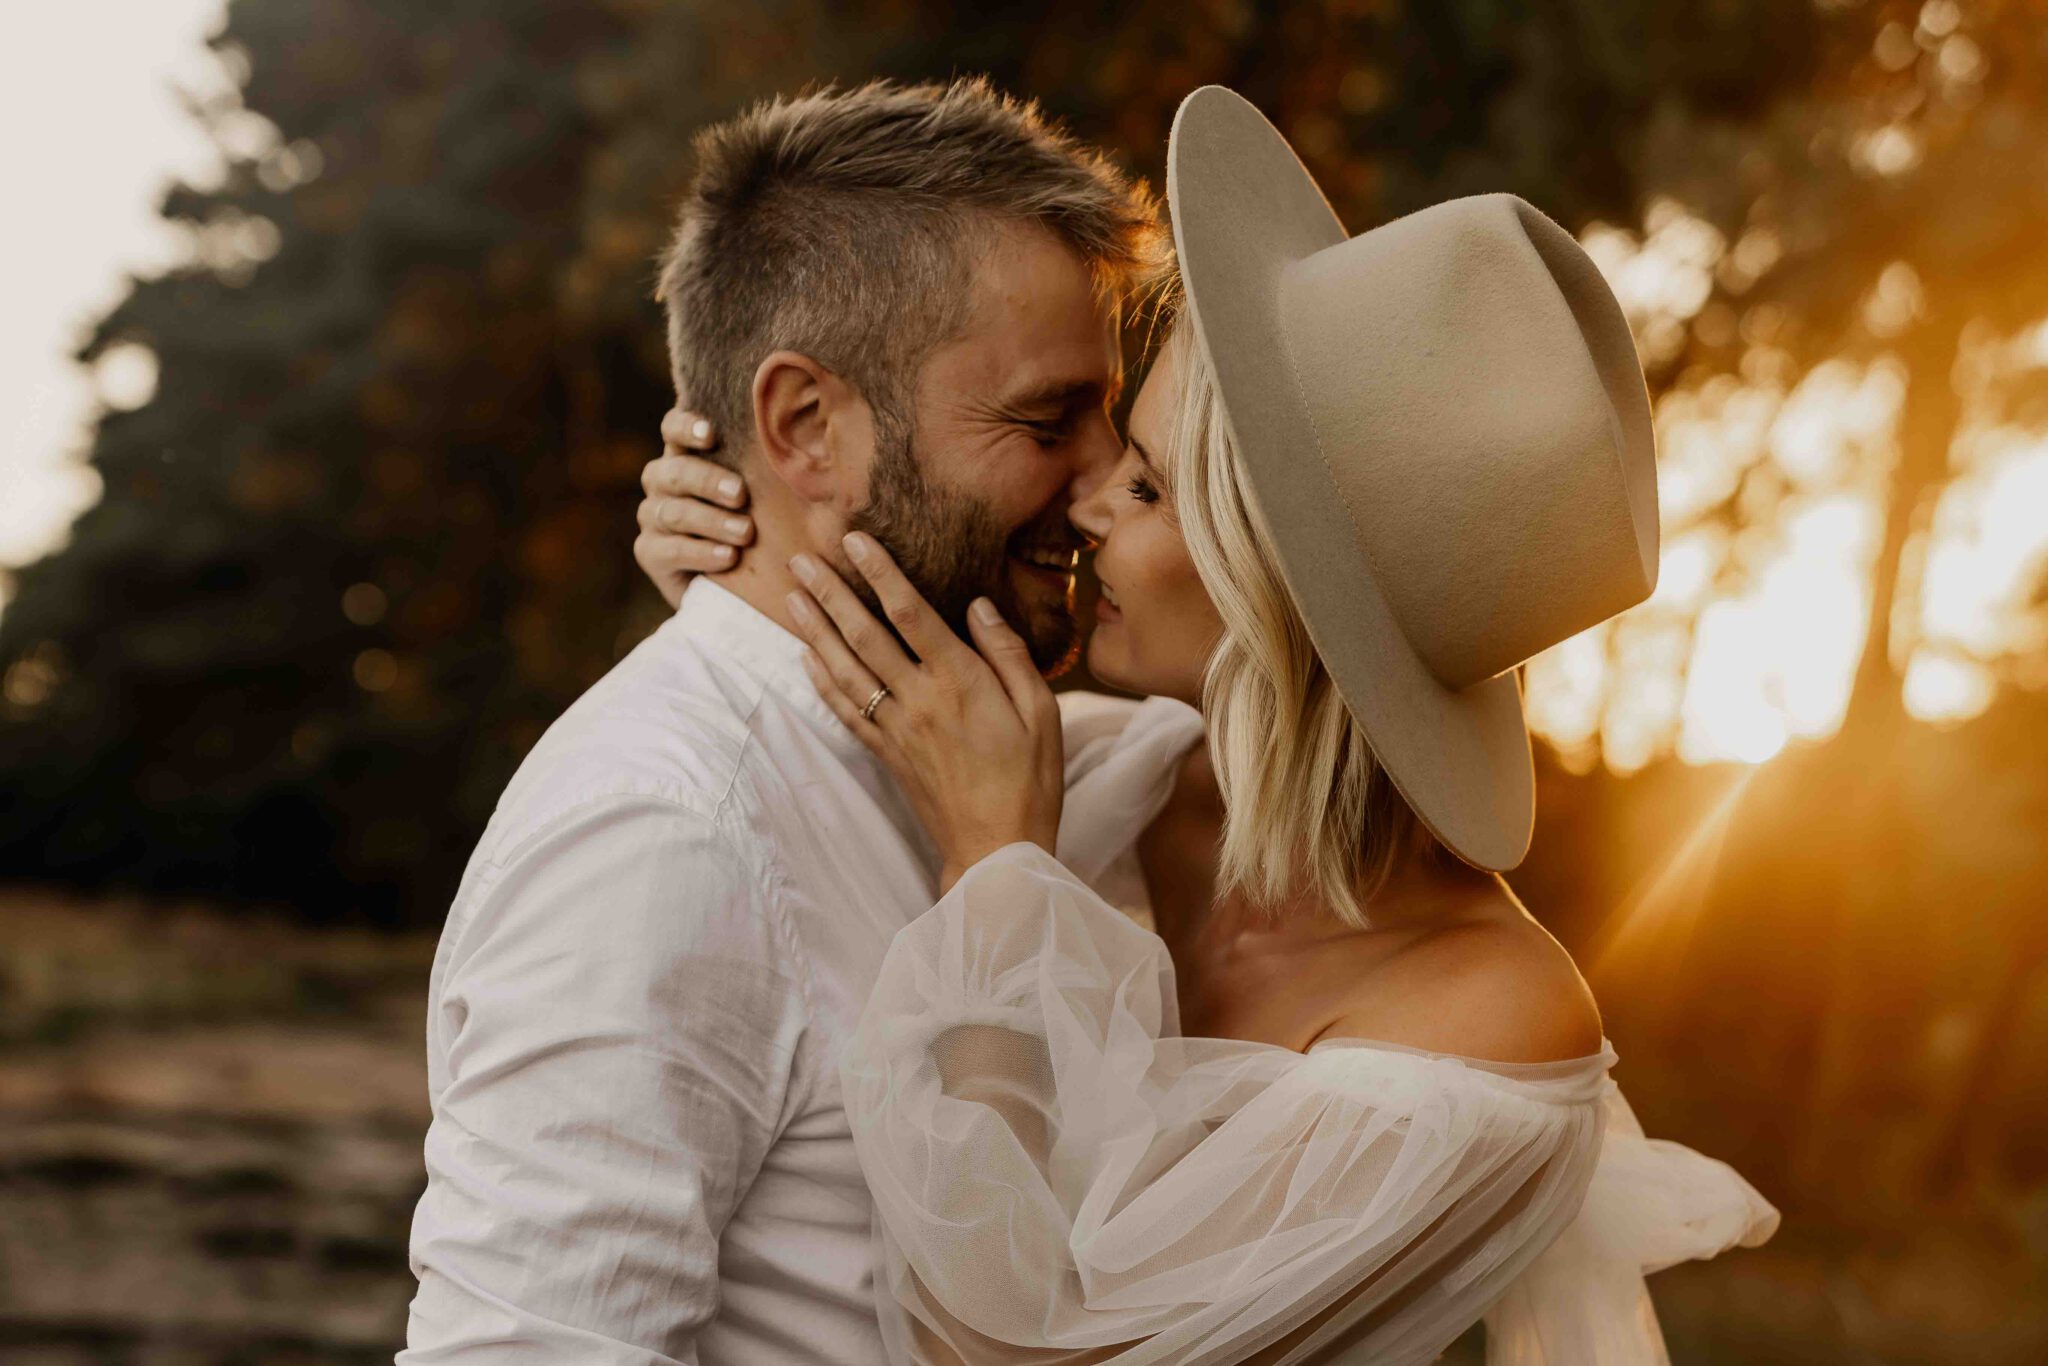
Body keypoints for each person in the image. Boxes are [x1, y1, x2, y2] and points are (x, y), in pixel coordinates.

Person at [639, 86, 1778, 1364]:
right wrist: (742, 527)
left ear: (1283, 585)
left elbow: (1009, 1353)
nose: (1081, 505)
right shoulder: (1125, 775)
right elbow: (869, 672)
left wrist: (995, 872)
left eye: (1145, 484)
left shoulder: (1482, 1033)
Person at [399, 78, 1168, 1365]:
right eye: (1045, 421)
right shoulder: (663, 831)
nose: (1104, 476)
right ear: (806, 426)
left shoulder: (1039, 768)